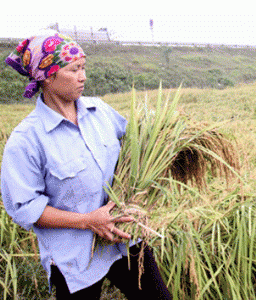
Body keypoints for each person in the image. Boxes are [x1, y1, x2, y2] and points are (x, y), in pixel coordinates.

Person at [0, 32, 172, 300]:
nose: (83, 77)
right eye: (74, 69)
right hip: (74, 255)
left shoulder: (99, 111)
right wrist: (87, 221)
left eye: (83, 68)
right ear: (47, 76)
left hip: (124, 237)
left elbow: (135, 147)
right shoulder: (26, 140)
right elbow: (25, 208)